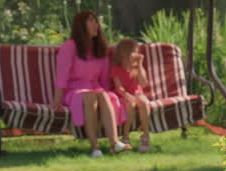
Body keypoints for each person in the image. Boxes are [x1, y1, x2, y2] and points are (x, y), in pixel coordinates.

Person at [50, 11, 128, 157]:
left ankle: (115, 143)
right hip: (74, 91)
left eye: (96, 21)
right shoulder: (69, 46)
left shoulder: (100, 48)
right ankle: (95, 147)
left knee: (103, 95)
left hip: (96, 90)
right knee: (90, 97)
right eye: (91, 21)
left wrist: (108, 95)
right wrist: (57, 99)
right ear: (81, 26)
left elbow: (104, 80)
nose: (95, 24)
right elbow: (62, 76)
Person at [110, 38, 152, 152]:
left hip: (137, 93)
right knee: (130, 105)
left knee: (144, 102)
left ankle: (146, 135)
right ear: (124, 53)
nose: (137, 54)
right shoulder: (116, 69)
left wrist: (140, 64)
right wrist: (127, 96)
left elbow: (143, 83)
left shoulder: (136, 67)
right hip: (122, 95)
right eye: (135, 51)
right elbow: (119, 88)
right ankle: (125, 136)